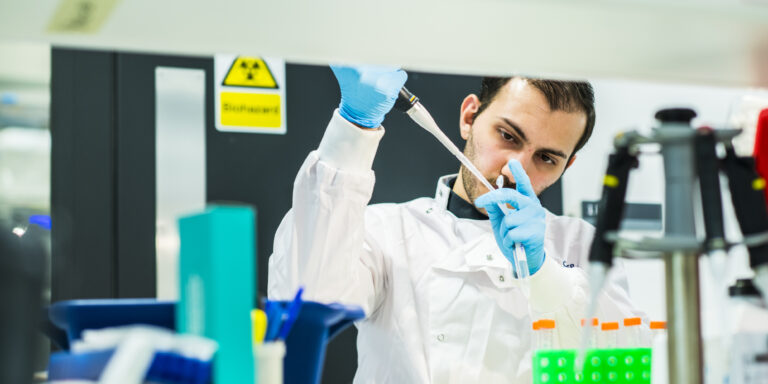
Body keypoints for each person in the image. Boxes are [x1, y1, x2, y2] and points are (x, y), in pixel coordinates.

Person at [268, 66, 646, 383]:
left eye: (546, 158)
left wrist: (545, 273)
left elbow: (624, 365)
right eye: (508, 136)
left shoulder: (579, 245)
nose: (517, 169)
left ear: (567, 166)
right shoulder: (389, 231)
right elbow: (306, 297)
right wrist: (353, 127)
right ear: (469, 118)